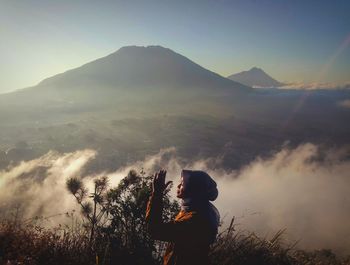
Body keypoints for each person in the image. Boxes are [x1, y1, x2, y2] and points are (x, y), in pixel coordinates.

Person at [145, 169, 220, 265]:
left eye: (182, 184)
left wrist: (157, 194)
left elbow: (155, 230)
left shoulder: (194, 220)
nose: (178, 186)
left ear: (193, 189)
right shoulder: (201, 209)